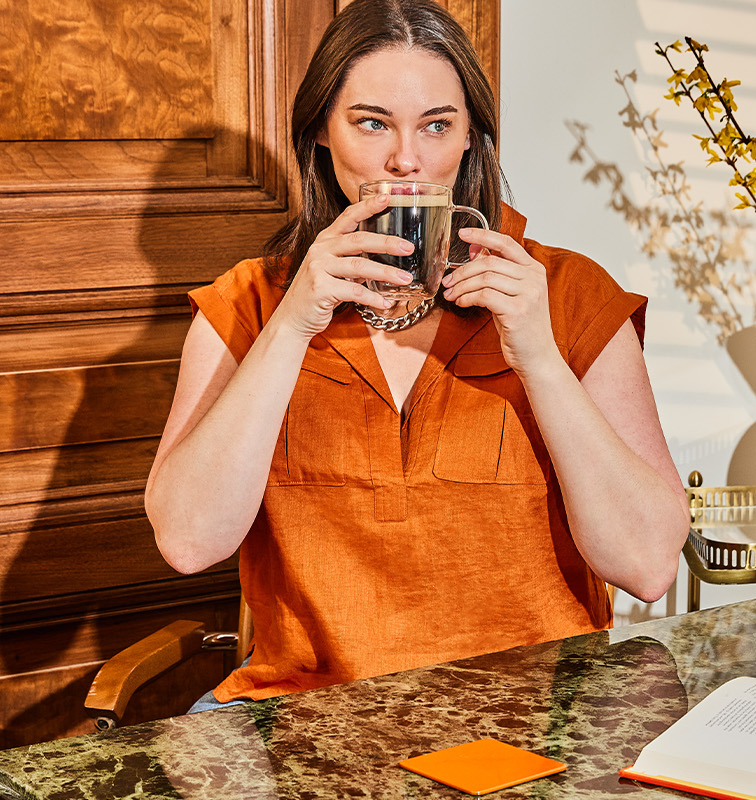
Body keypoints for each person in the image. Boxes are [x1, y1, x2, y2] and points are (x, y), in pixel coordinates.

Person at [144, 0, 689, 706]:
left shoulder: (567, 292)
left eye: (437, 125)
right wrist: (291, 324)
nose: (406, 159)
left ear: (470, 140)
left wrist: (540, 359)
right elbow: (188, 542)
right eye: (372, 122)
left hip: (528, 725)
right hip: (310, 723)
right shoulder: (252, 303)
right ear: (319, 135)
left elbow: (647, 566)